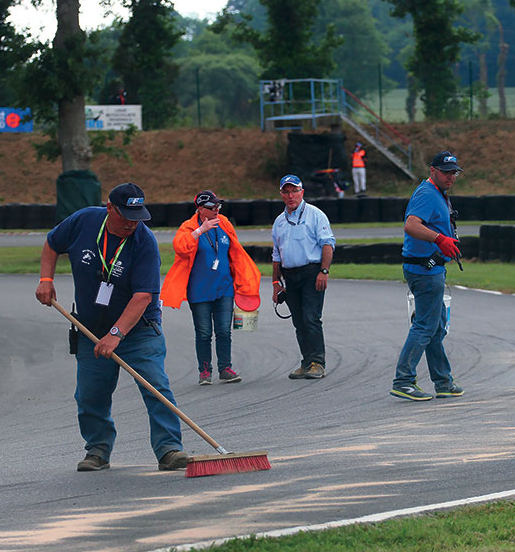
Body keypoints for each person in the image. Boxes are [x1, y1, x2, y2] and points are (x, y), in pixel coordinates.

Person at [36, 183, 188, 472]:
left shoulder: (144, 242)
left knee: (155, 385)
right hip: (90, 328)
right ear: (110, 209)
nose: (132, 222)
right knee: (90, 394)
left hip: (139, 329)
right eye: (126, 215)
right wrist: (46, 279)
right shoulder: (84, 221)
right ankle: (98, 449)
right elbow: (52, 244)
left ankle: (169, 449)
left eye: (138, 215)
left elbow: (143, 296)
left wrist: (116, 335)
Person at [160, 190, 261, 385]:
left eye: (218, 206)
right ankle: (205, 371)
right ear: (200, 209)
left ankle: (225, 368)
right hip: (199, 290)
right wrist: (200, 231)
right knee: (204, 332)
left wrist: (242, 281)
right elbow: (180, 247)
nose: (216, 210)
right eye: (212, 207)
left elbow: (235, 252)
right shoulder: (188, 227)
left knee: (224, 330)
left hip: (224, 287)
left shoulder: (224, 223)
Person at [390, 151, 466, 401]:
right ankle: (403, 380)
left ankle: (443, 381)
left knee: (435, 327)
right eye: (446, 172)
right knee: (425, 325)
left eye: (454, 172)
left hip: (431, 268)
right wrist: (439, 238)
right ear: (432, 171)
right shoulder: (427, 194)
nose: (450, 177)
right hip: (425, 269)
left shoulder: (438, 194)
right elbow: (411, 225)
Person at [270, 175, 336, 379]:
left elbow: (328, 244)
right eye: (286, 192)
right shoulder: (280, 221)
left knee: (311, 318)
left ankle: (318, 362)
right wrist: (275, 283)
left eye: (294, 191)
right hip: (290, 275)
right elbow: (276, 254)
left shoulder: (315, 215)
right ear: (281, 194)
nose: (291, 196)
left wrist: (324, 271)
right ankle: (307, 361)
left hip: (312, 272)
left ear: (302, 192)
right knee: (298, 321)